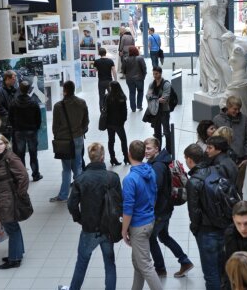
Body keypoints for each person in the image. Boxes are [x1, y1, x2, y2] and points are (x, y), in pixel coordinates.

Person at [66, 142, 121, 290]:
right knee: (109, 263)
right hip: (108, 228)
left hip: (89, 229)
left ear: (89, 157)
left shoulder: (81, 179)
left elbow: (71, 204)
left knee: (82, 263)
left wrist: (79, 218)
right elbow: (119, 203)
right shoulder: (113, 178)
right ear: (103, 157)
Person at [145, 137, 194, 278]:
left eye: (149, 148)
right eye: (145, 149)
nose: (146, 151)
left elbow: (156, 189)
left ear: (156, 149)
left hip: (160, 210)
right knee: (164, 236)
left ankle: (160, 268)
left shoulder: (158, 166)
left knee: (151, 237)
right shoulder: (160, 162)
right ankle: (184, 261)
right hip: (166, 207)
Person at [121, 140, 163, 290]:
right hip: (149, 221)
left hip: (138, 226)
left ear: (129, 154)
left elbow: (128, 209)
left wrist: (124, 230)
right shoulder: (150, 170)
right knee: (138, 263)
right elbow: (154, 193)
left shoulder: (130, 179)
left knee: (145, 266)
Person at [183, 143, 226, 289]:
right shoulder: (215, 171)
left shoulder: (193, 181)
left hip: (206, 231)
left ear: (189, 160)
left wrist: (195, 229)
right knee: (222, 269)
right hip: (223, 226)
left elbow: (194, 212)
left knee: (210, 273)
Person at [0, 134, 30, 269]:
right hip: (2, 198)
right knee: (13, 227)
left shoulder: (10, 158)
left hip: (8, 200)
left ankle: (15, 259)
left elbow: (23, 176)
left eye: (1, 144)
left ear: (6, 144)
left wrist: (19, 194)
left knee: (11, 227)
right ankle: (17, 253)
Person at [50, 81, 89, 202]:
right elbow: (86, 121)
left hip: (64, 140)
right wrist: (80, 131)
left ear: (64, 91)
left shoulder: (58, 106)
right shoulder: (81, 103)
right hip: (78, 138)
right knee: (77, 166)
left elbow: (55, 126)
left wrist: (57, 135)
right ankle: (81, 193)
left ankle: (63, 195)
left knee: (66, 168)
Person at [213, 96, 247, 195]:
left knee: (238, 188)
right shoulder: (217, 120)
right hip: (223, 160)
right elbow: (214, 139)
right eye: (235, 109)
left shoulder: (244, 119)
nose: (237, 111)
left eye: (239, 109)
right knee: (224, 187)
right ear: (228, 107)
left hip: (240, 160)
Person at [9, 81, 43, 182]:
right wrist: (36, 128)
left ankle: (23, 176)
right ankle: (35, 175)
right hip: (31, 131)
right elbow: (39, 118)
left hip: (19, 131)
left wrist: (15, 127)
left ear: (19, 88)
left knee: (20, 154)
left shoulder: (14, 102)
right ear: (29, 89)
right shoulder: (33, 102)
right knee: (33, 154)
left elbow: (10, 118)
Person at [147, 66, 171, 153]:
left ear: (160, 73)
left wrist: (153, 99)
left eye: (156, 74)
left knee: (166, 132)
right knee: (157, 132)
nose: (154, 75)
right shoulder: (152, 84)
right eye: (153, 73)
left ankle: (169, 150)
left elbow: (164, 99)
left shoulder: (166, 84)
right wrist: (157, 99)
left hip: (164, 111)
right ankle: (158, 150)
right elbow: (147, 95)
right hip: (155, 112)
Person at [105, 81, 129, 166]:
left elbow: (104, 109)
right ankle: (126, 157)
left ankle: (113, 158)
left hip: (109, 123)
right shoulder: (121, 97)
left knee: (111, 141)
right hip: (118, 123)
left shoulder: (107, 97)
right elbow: (125, 111)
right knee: (123, 140)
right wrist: (123, 121)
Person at [0, 70, 19, 142]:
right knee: (5, 143)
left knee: (16, 143)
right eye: (14, 78)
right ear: (8, 78)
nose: (15, 80)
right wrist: (10, 116)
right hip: (5, 123)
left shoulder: (13, 89)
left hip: (14, 122)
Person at [122, 46, 147, 112]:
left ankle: (133, 108)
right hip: (139, 78)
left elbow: (123, 70)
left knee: (132, 92)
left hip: (129, 79)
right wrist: (144, 76)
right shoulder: (140, 58)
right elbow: (144, 68)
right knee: (140, 92)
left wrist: (126, 74)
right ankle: (139, 106)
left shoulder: (125, 59)